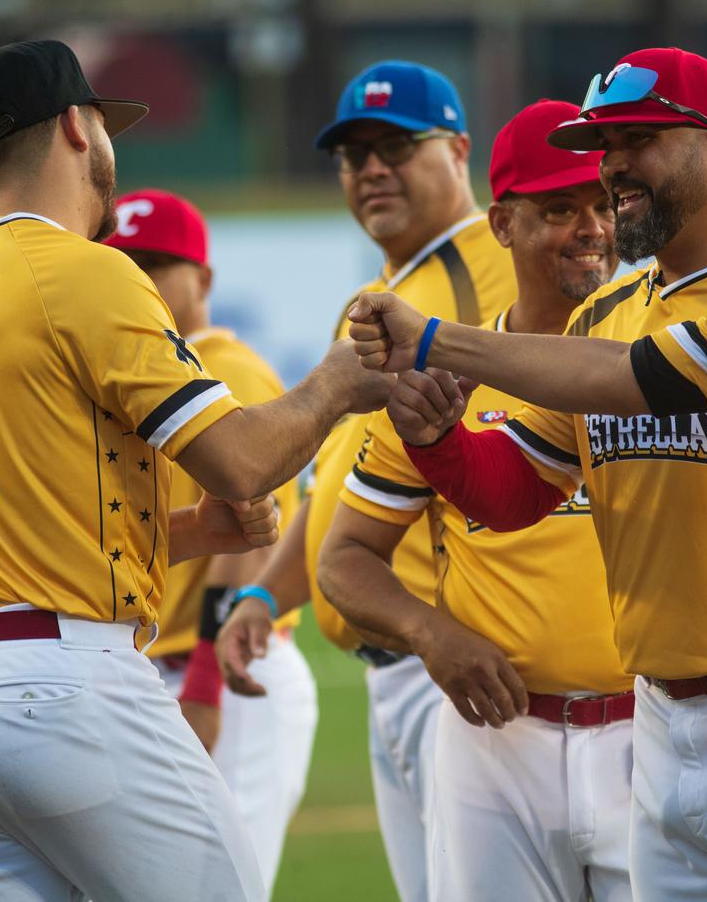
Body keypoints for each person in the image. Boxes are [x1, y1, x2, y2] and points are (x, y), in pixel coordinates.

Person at [0, 39, 387, 902]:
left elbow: (19, 525)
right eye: (104, 123)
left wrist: (192, 529)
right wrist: (338, 381)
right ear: (75, 128)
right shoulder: (84, 270)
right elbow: (240, 459)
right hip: (54, 683)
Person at [348, 48, 707, 900]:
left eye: (639, 139)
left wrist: (434, 339)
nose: (612, 166)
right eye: (605, 144)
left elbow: (640, 378)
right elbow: (517, 489)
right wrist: (439, 441)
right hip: (661, 722)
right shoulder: (605, 313)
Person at [215, 58, 517, 902]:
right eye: (354, 154)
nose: (372, 168)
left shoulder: (496, 264)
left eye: (396, 145)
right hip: (394, 666)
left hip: (459, 661)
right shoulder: (376, 297)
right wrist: (267, 595)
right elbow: (342, 489)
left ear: (459, 150)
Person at [318, 99, 635, 902]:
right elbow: (345, 558)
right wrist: (431, 633)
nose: (591, 228)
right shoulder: (441, 381)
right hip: (497, 742)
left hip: (654, 726)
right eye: (559, 209)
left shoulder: (653, 361)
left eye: (602, 203)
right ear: (502, 224)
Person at [102, 188, 318, 894]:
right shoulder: (134, 367)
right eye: (125, 264)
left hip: (231, 667)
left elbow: (251, 534)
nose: (140, 280)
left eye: (155, 265)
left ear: (203, 277)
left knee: (220, 887)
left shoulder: (228, 367)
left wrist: (204, 678)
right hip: (153, 667)